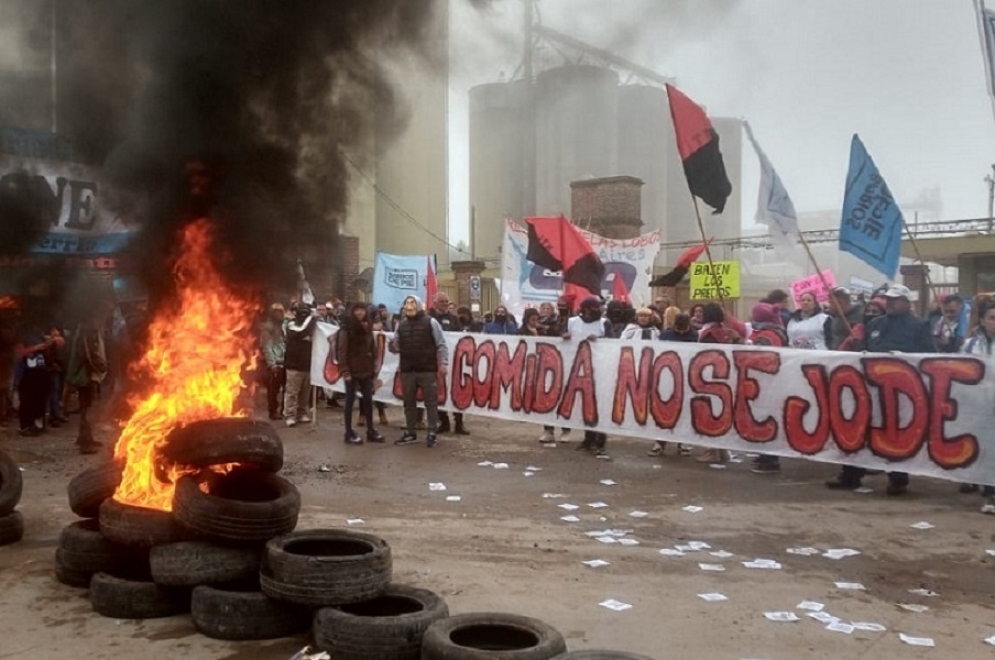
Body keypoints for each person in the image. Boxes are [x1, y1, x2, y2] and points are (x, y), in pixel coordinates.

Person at [826, 285, 932, 494]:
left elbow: (929, 356)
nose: (890, 303)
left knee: (895, 434)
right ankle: (850, 475)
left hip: (902, 391)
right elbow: (864, 349)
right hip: (871, 387)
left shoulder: (919, 326)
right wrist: (860, 350)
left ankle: (898, 479)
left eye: (895, 299)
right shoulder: (875, 323)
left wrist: (906, 358)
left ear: (906, 302)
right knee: (859, 429)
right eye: (888, 299)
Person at [390, 295, 448, 448]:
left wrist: (443, 364)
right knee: (408, 403)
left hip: (427, 369)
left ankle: (432, 432)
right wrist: (393, 346)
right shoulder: (401, 325)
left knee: (431, 403)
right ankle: (410, 432)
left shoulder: (431, 322)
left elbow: (441, 344)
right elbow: (395, 345)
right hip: (407, 369)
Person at [565, 297, 612, 457]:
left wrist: (599, 340)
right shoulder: (572, 322)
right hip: (579, 370)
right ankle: (588, 438)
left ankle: (600, 440)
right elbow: (561, 335)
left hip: (600, 369)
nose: (598, 310)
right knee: (586, 404)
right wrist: (564, 336)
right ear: (586, 309)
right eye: (594, 308)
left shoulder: (604, 323)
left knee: (600, 405)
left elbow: (613, 341)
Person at [747, 302, 789, 474]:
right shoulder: (772, 331)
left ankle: (770, 459)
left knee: (767, 419)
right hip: (767, 381)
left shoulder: (768, 334)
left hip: (768, 382)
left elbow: (761, 356)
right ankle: (764, 454)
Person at [962, 299, 995, 513]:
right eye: (992, 318)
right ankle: (988, 489)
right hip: (979, 404)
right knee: (985, 448)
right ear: (982, 320)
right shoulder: (970, 345)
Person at [338, 302, 385, 445]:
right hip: (351, 370)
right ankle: (348, 432)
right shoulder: (346, 329)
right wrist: (345, 370)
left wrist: (373, 368)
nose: (360, 313)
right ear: (352, 312)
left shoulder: (367, 328)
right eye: (357, 310)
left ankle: (371, 430)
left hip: (366, 369)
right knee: (350, 402)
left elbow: (372, 348)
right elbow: (342, 351)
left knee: (368, 401)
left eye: (362, 310)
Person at [65, 317, 107, 454]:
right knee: (87, 409)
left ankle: (85, 437)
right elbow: (88, 354)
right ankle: (85, 443)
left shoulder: (88, 328)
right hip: (87, 376)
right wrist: (101, 366)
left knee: (86, 407)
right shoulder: (88, 330)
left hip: (88, 375)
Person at [428, 293, 468, 435]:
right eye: (442, 302)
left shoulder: (454, 319)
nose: (445, 304)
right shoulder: (429, 318)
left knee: (456, 390)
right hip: (435, 359)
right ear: (435, 303)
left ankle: (459, 423)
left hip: (453, 360)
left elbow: (460, 337)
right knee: (438, 391)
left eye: (447, 301)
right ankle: (443, 422)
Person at [14, 325, 52, 437]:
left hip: (41, 372)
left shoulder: (41, 336)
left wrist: (48, 346)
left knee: (40, 400)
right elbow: (20, 352)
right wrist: (36, 348)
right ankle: (25, 426)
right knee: (27, 401)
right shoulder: (22, 337)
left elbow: (46, 354)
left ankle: (38, 424)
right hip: (27, 374)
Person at [282, 302, 315, 427]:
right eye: (302, 312)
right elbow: (299, 332)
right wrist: (312, 320)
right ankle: (290, 415)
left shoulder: (311, 327)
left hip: (307, 364)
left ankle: (302, 413)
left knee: (305, 393)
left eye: (306, 312)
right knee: (292, 392)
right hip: (294, 365)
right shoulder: (291, 324)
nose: (304, 314)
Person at [260, 302, 287, 421]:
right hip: (274, 364)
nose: (280, 314)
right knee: (273, 390)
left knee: (286, 388)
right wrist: (272, 364)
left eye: (281, 311)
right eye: (277, 312)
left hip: (284, 361)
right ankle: (273, 411)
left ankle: (284, 410)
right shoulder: (268, 327)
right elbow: (267, 347)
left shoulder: (283, 326)